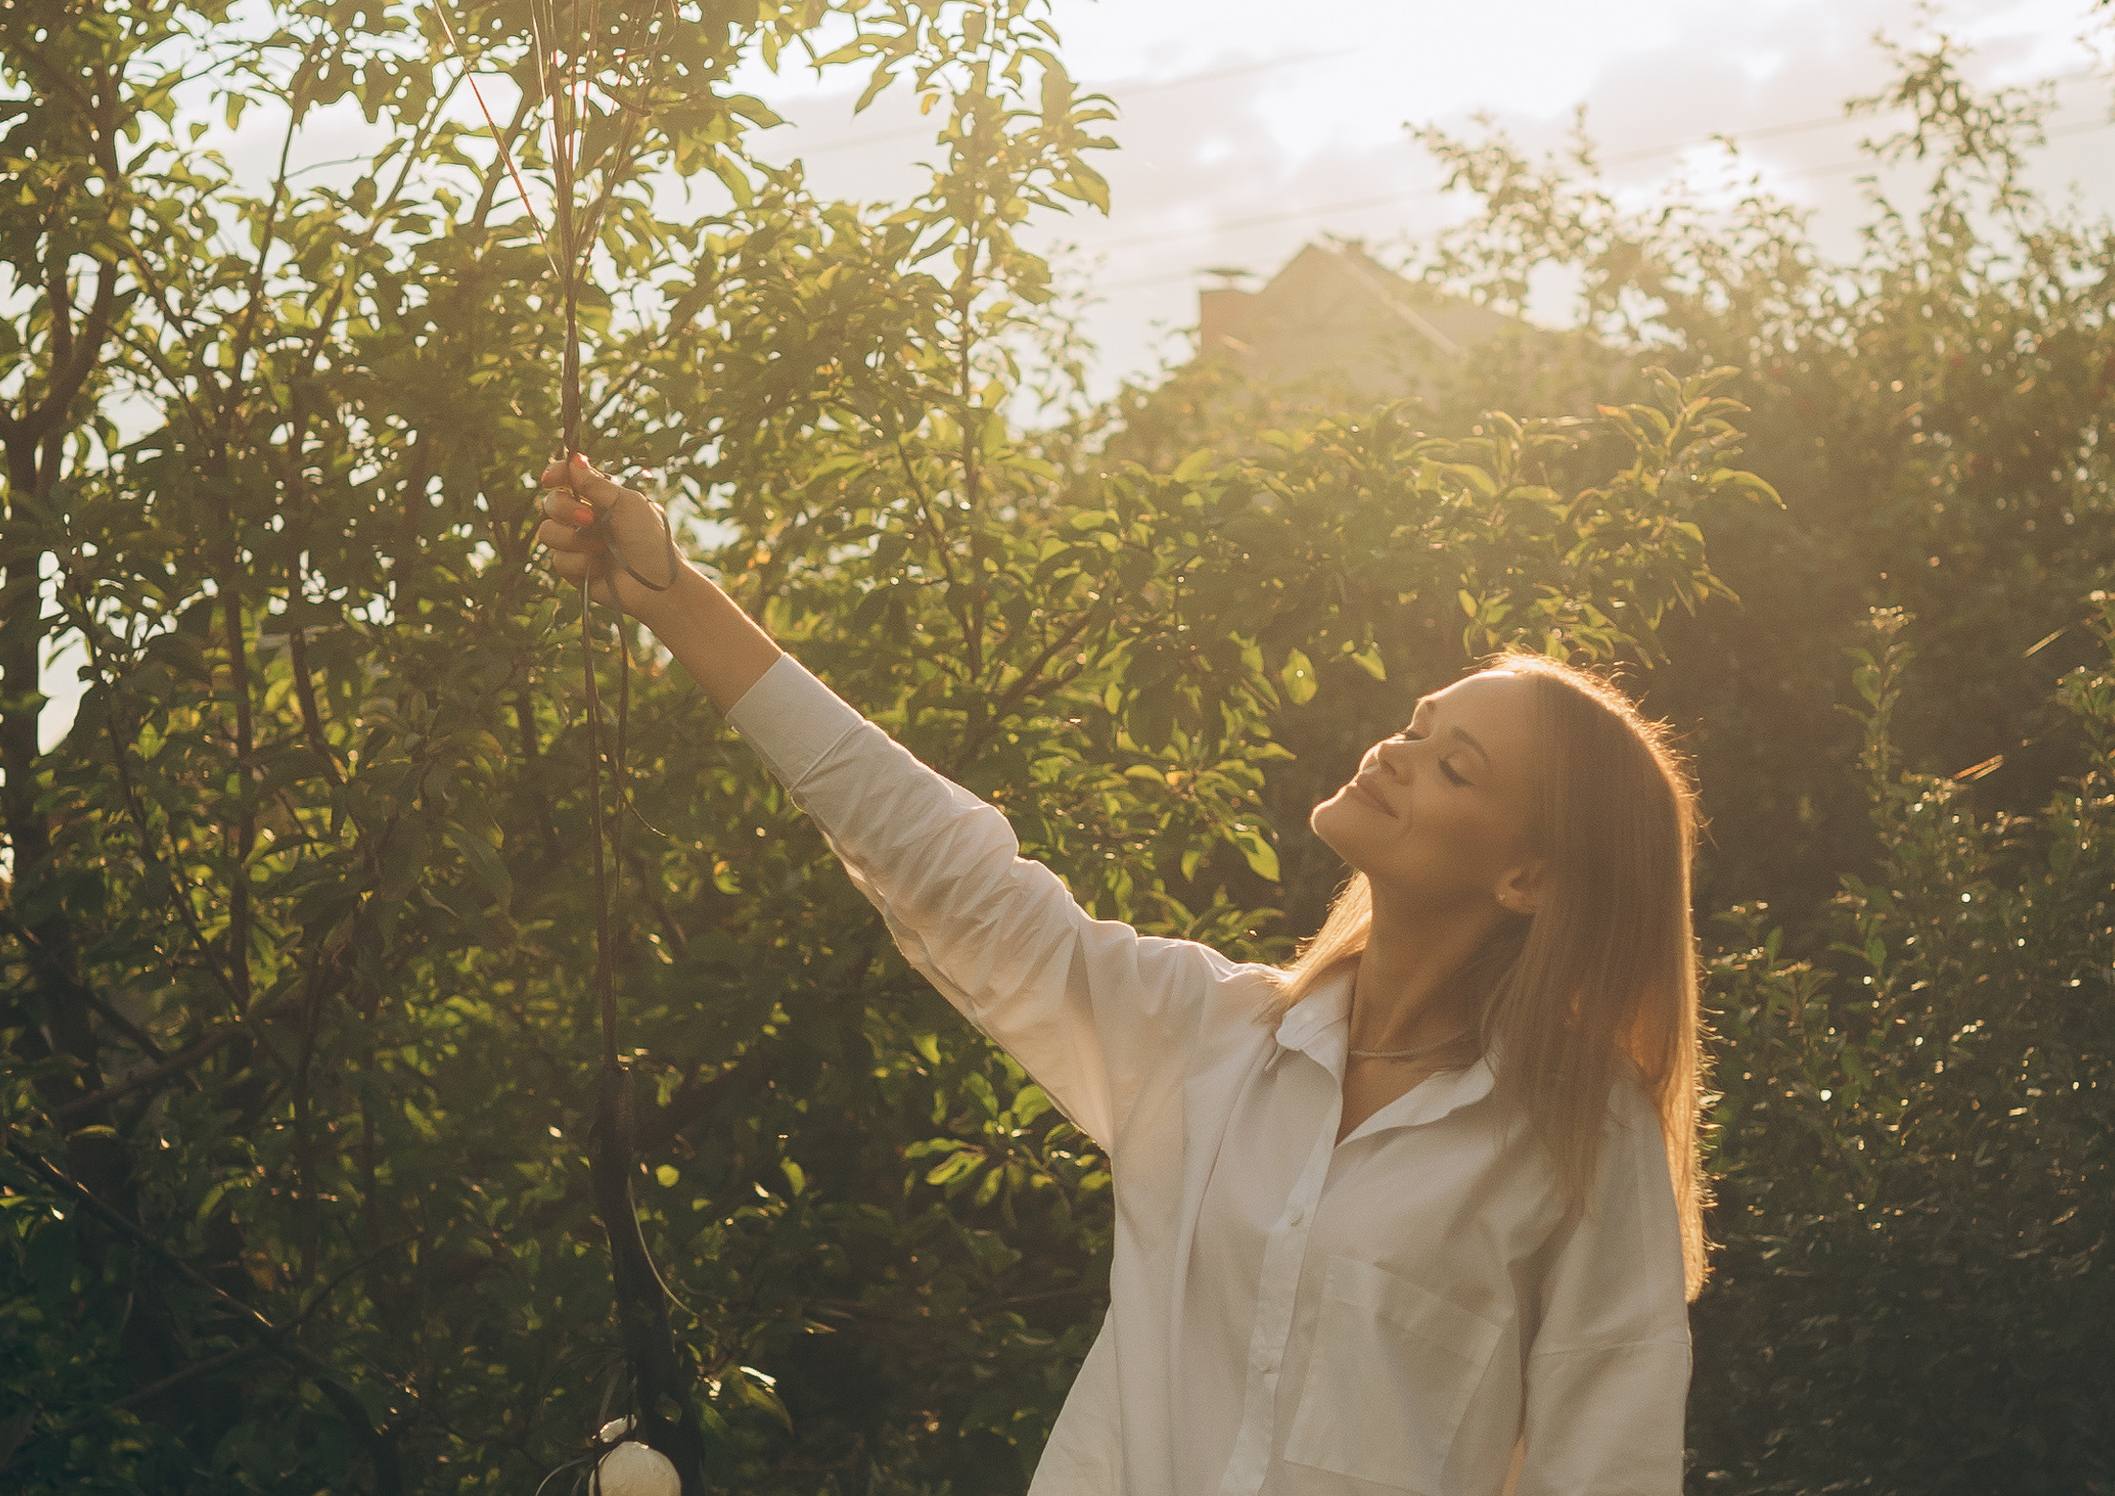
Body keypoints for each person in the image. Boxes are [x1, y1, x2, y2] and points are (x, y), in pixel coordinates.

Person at [537, 452, 1705, 1496]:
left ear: (1529, 878)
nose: (1394, 750)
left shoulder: (1579, 1138)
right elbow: (942, 865)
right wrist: (675, 597)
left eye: (1453, 763)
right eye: (1415, 721)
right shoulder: (1210, 1038)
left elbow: (1603, 1467)